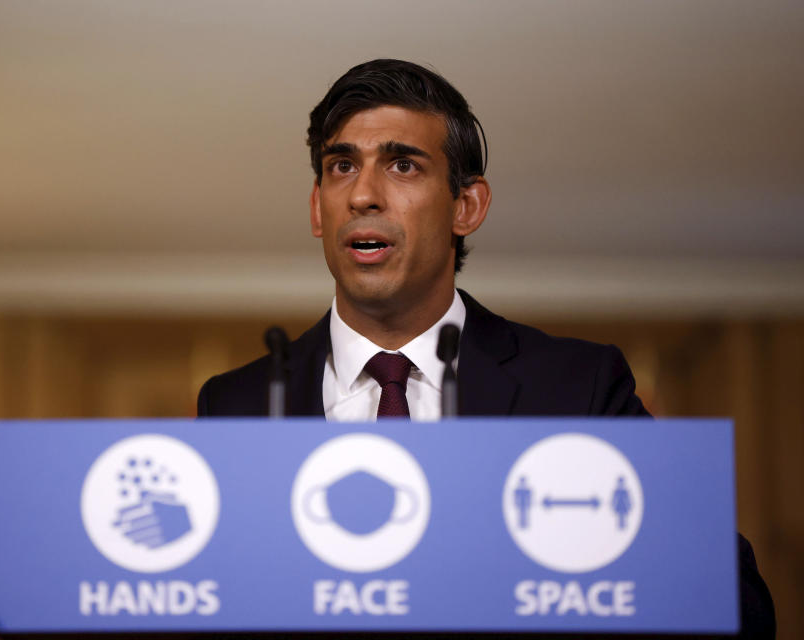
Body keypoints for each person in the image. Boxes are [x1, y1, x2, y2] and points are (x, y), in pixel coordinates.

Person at [197, 59, 774, 637]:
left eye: (402, 164)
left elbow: (735, 602)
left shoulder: (579, 385)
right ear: (317, 207)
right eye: (342, 165)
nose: (363, 194)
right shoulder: (236, 403)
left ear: (466, 207)